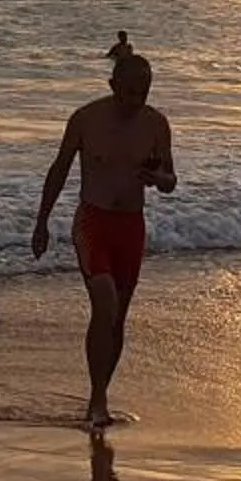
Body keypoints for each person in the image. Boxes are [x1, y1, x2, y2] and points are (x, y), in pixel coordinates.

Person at [33, 55, 175, 428]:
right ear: (113, 86)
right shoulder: (85, 119)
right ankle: (96, 399)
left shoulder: (156, 124)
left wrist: (157, 177)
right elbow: (59, 169)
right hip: (93, 220)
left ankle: (100, 394)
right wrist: (42, 221)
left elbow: (170, 180)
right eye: (129, 92)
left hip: (131, 225)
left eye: (143, 92)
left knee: (117, 318)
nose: (136, 100)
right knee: (105, 301)